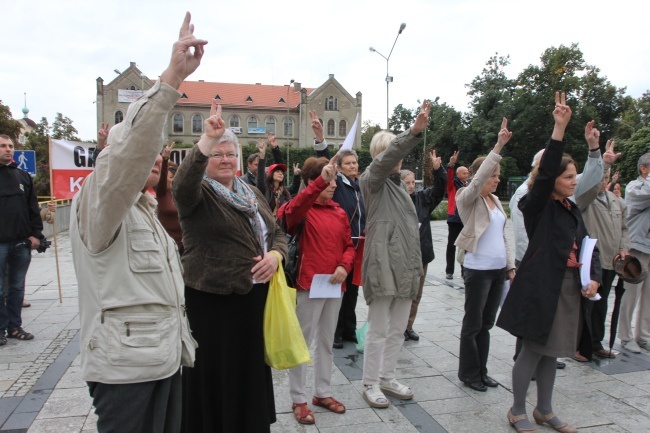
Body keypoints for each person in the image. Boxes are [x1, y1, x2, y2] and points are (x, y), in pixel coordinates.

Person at [69, 14, 203, 432]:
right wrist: (170, 82)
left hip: (161, 358)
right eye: (148, 150)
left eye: (160, 153)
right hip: (126, 370)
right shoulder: (102, 199)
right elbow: (128, 155)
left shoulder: (143, 210)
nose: (156, 157)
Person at [173, 102, 287, 433]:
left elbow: (277, 232)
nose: (225, 159)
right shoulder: (196, 196)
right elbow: (181, 184)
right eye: (217, 154)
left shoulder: (250, 191)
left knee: (248, 373)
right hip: (212, 302)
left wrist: (276, 257)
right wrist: (206, 140)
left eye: (230, 154)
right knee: (215, 376)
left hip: (251, 302)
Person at [497, 92, 601, 433]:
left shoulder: (572, 209)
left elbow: (589, 245)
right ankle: (517, 411)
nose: (574, 182)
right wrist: (559, 129)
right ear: (552, 179)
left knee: (552, 352)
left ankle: (545, 409)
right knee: (531, 352)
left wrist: (595, 277)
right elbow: (540, 179)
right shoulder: (536, 204)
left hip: (569, 287)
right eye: (569, 177)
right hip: (541, 288)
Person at [360, 99, 430, 408]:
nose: (399, 160)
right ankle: (370, 382)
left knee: (398, 328)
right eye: (392, 153)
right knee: (378, 329)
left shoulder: (400, 187)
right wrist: (412, 133)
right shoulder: (372, 180)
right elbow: (389, 158)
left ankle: (387, 377)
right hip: (382, 263)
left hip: (404, 265)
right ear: (381, 155)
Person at [277, 155, 356, 425]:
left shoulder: (339, 211)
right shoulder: (300, 208)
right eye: (328, 180)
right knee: (302, 344)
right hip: (307, 286)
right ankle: (298, 398)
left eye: (333, 180)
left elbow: (349, 245)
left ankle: (322, 393)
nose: (334, 185)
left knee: (325, 342)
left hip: (335, 286)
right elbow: (288, 214)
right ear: (313, 181)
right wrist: (320, 179)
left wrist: (345, 266)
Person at [454, 118, 515, 392]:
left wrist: (510, 266)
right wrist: (499, 145)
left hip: (497, 270)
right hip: (477, 270)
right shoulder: (468, 197)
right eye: (493, 175)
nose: (497, 179)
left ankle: (482, 370)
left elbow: (504, 235)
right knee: (473, 323)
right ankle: (469, 373)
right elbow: (477, 181)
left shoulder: (495, 202)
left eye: (498, 175)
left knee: (487, 324)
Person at [309, 110, 367, 349]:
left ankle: (349, 329)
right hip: (340, 244)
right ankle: (334, 333)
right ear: (340, 168)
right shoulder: (339, 184)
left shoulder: (359, 186)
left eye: (355, 162)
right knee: (339, 291)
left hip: (357, 245)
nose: (353, 166)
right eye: (348, 163)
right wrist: (321, 138)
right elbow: (326, 162)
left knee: (352, 291)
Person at [576, 162, 630, 359]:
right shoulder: (585, 199)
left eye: (606, 178)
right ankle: (579, 345)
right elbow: (582, 190)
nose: (602, 182)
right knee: (586, 304)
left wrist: (624, 248)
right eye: (599, 178)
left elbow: (625, 228)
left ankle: (596, 342)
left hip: (611, 260)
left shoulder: (617, 202)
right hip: (591, 260)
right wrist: (602, 162)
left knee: (602, 303)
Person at [0, 134, 42, 345]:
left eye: (10, 146)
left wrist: (36, 234)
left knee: (17, 287)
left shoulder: (23, 176)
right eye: (3, 146)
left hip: (20, 242)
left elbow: (32, 208)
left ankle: (14, 326)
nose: (8, 149)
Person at [401, 150, 446, 341]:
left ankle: (407, 326)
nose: (411, 186)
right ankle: (394, 325)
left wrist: (438, 171)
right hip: (401, 256)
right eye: (407, 182)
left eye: (412, 182)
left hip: (421, 255)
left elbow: (439, 190)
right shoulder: (394, 202)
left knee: (416, 294)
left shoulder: (423, 199)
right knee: (400, 294)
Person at [618, 152, 650, 353]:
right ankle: (625, 336)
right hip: (637, 247)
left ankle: (644, 335)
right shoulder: (634, 187)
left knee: (649, 296)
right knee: (630, 294)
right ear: (643, 169)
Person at [445, 152, 469, 280]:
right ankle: (449, 270)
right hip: (454, 218)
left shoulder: (468, 185)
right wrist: (451, 165)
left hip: (466, 218)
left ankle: (464, 270)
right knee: (452, 244)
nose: (466, 175)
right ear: (458, 174)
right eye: (464, 173)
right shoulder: (453, 184)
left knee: (464, 245)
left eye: (467, 173)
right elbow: (448, 177)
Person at [156, 141, 183, 253]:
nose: (173, 180)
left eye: (175, 177)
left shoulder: (182, 195)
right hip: (166, 244)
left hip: (184, 244)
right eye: (170, 177)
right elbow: (162, 177)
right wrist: (165, 159)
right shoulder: (162, 193)